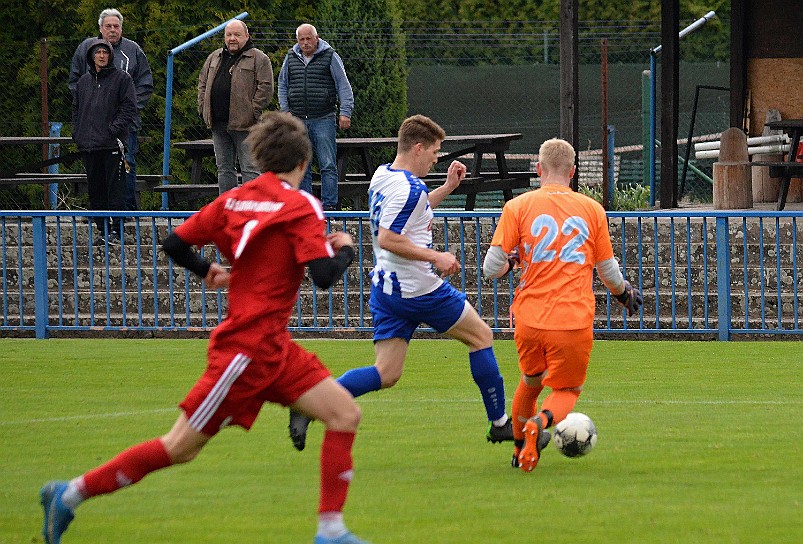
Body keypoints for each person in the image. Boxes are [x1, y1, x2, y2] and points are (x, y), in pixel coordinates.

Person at [40, 112, 372, 544]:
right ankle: (69, 494)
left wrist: (206, 269)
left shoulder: (235, 199)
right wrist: (345, 247)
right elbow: (325, 276)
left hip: (274, 349)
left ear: (260, 156)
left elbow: (175, 242)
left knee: (344, 412)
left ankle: (331, 531)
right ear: (304, 161)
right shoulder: (300, 205)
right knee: (180, 447)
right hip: (245, 354)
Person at [288, 114, 513, 452]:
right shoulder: (408, 189)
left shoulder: (384, 176)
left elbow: (411, 212)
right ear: (418, 148)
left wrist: (447, 189)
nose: (438, 158)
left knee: (386, 372)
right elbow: (389, 237)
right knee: (481, 336)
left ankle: (311, 404)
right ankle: (500, 424)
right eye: (435, 151)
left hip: (387, 289)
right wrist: (435, 256)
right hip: (419, 288)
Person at [482, 137, 642, 473]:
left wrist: (514, 263)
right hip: (571, 319)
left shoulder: (517, 207)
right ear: (572, 172)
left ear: (538, 169)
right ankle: (538, 424)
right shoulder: (591, 209)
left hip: (528, 319)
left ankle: (521, 451)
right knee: (568, 389)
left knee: (530, 381)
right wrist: (624, 293)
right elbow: (608, 271)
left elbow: (491, 268)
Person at [70, 8, 153, 212]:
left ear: (121, 28)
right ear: (100, 28)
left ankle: (126, 211)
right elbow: (76, 85)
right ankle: (99, 216)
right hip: (93, 130)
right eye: (108, 26)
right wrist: (86, 118)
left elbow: (145, 84)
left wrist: (124, 113)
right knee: (97, 172)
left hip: (125, 126)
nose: (113, 30)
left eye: (116, 26)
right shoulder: (84, 49)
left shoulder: (133, 50)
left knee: (126, 164)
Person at [278, 23, 354, 211]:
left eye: (308, 38)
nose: (305, 43)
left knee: (328, 165)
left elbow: (343, 85)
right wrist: (285, 110)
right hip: (297, 120)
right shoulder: (290, 57)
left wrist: (345, 111)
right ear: (297, 40)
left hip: (324, 118)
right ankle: (305, 208)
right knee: (302, 166)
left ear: (316, 38)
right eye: (301, 39)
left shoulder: (330, 56)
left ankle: (329, 209)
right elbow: (282, 85)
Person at [71, 38, 136, 244]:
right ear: (91, 56)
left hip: (112, 145)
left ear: (110, 55)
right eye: (97, 52)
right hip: (89, 146)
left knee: (115, 189)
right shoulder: (83, 82)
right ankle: (102, 230)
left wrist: (113, 130)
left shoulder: (122, 79)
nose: (101, 56)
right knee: (95, 190)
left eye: (105, 52)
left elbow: (129, 108)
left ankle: (116, 230)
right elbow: (76, 109)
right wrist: (78, 133)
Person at [198, 19, 274, 194]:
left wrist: (252, 111)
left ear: (246, 36)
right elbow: (202, 83)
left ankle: (250, 208)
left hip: (246, 125)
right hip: (218, 124)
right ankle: (227, 210)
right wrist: (204, 108)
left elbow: (266, 87)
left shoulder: (259, 59)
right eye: (229, 35)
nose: (232, 38)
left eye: (237, 35)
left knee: (250, 169)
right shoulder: (214, 57)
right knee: (224, 170)